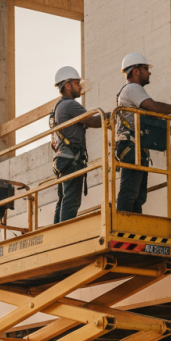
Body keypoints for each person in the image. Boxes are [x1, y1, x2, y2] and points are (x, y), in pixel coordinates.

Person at [116, 53, 171, 214]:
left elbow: (150, 123)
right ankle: (123, 226)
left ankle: (134, 226)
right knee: (130, 192)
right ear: (135, 71)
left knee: (138, 195)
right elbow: (154, 106)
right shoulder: (133, 88)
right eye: (145, 68)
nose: (149, 72)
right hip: (132, 147)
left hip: (137, 147)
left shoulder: (134, 93)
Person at [50, 66, 101, 224]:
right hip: (71, 160)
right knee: (71, 201)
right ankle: (64, 234)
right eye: (77, 83)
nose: (80, 86)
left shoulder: (56, 109)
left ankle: (57, 232)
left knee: (63, 200)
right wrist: (116, 115)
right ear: (67, 85)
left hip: (62, 160)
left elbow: (53, 144)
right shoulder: (69, 105)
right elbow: (92, 120)